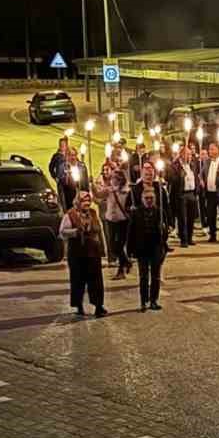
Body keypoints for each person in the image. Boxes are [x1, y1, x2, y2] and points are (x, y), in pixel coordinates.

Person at [60, 190, 107, 318]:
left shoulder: (93, 213)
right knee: (78, 280)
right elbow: (62, 232)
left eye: (88, 201)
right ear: (78, 202)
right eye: (84, 201)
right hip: (77, 253)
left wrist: (104, 250)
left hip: (93, 252)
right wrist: (75, 231)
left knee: (96, 280)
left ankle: (98, 306)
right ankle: (79, 305)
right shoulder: (70, 215)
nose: (87, 203)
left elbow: (100, 231)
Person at [128, 178, 168, 310]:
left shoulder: (159, 212)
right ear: (142, 198)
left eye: (151, 198)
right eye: (147, 198)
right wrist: (130, 250)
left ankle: (154, 300)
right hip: (142, 248)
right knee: (143, 276)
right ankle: (143, 300)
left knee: (155, 276)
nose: (149, 200)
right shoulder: (136, 212)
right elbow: (131, 232)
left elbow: (165, 231)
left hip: (155, 247)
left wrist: (163, 231)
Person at [97, 163, 132, 277]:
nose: (112, 180)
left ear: (120, 180)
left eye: (114, 178)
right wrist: (92, 185)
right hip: (111, 220)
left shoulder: (127, 191)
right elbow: (98, 195)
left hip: (122, 221)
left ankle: (122, 267)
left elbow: (130, 206)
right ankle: (126, 262)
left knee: (119, 245)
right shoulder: (109, 190)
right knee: (113, 245)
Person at [49, 136, 85, 211]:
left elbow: (78, 166)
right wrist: (55, 177)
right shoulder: (57, 156)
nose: (63, 147)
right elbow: (51, 167)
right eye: (61, 145)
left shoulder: (74, 159)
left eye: (64, 145)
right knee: (64, 199)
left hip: (74, 184)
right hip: (63, 182)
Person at [173, 146, 199, 247]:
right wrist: (180, 176)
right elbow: (172, 178)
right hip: (181, 194)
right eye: (187, 154)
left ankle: (189, 237)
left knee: (191, 217)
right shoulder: (176, 165)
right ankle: (183, 239)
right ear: (181, 154)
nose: (189, 156)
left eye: (190, 154)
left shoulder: (192, 165)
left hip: (191, 193)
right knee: (182, 218)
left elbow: (195, 176)